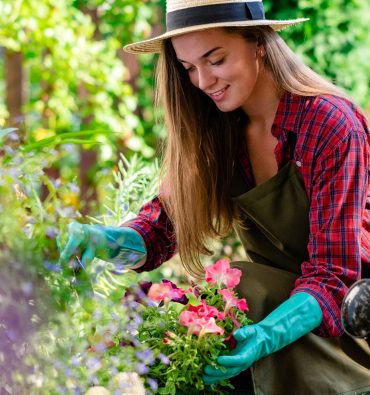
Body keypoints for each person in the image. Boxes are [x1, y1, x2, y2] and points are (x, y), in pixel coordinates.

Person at [59, 0, 370, 393]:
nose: (203, 82)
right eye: (189, 68)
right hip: (278, 310)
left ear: (258, 42)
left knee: (246, 288)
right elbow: (162, 228)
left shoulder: (329, 124)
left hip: (353, 325)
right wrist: (109, 241)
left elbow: (333, 277)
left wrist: (264, 336)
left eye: (216, 59)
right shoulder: (217, 128)